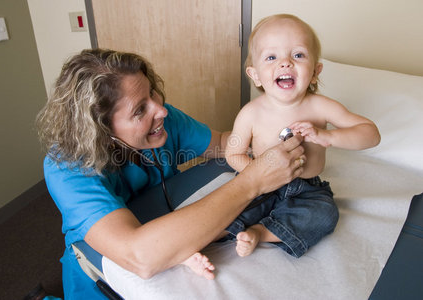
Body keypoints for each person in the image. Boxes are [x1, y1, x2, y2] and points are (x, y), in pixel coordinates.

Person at [35, 48, 306, 299]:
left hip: (165, 225)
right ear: (101, 131)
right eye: (140, 110)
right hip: (101, 274)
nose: (161, 110)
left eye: (152, 92)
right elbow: (140, 256)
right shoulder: (67, 167)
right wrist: (254, 181)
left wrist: (272, 132)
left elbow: (223, 145)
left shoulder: (163, 121)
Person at [225, 14, 381, 258]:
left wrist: (329, 136)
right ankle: (199, 242)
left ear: (316, 71)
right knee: (226, 205)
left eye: (298, 55)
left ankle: (260, 232)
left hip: (306, 189)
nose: (285, 63)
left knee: (325, 213)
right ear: (255, 75)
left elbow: (371, 134)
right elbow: (233, 153)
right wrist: (256, 173)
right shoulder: (251, 113)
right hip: (261, 184)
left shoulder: (321, 107)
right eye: (271, 57)